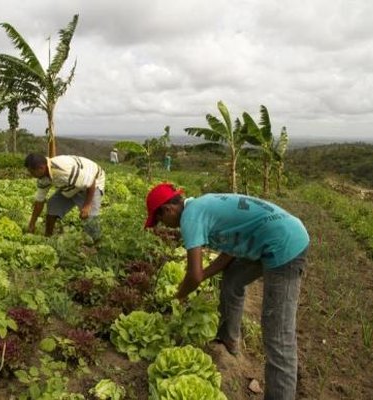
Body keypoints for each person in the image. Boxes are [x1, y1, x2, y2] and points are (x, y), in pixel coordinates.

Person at [144, 183, 309, 400]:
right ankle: (229, 340)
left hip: (284, 245)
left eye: (159, 221)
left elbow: (193, 275)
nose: (163, 226)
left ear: (168, 210)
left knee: (278, 335)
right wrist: (203, 275)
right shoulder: (202, 205)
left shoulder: (190, 217)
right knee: (232, 280)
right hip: (270, 236)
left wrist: (180, 295)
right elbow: (229, 253)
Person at [24, 153, 105, 241]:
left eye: (32, 172)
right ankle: (48, 238)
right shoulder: (43, 177)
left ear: (41, 168)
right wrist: (32, 224)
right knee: (53, 205)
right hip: (71, 185)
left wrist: (87, 206)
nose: (30, 174)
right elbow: (39, 201)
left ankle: (97, 244)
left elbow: (91, 182)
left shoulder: (63, 170)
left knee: (90, 218)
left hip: (93, 181)